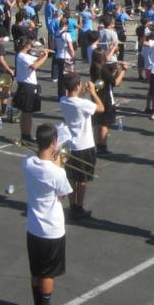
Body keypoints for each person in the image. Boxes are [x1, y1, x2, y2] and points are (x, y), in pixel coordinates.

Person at [23, 123, 73, 305]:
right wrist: (59, 163)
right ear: (54, 142)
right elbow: (63, 196)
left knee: (36, 270)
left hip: (33, 227)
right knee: (48, 274)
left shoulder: (27, 163)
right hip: (51, 229)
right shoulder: (57, 172)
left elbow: (38, 163)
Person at [58, 72, 105, 220]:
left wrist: (81, 92)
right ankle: (79, 207)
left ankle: (72, 207)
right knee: (82, 179)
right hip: (85, 145)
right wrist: (92, 92)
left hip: (70, 145)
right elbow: (101, 108)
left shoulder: (63, 100)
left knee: (72, 177)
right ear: (78, 86)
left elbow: (75, 99)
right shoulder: (83, 104)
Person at [13, 36, 50, 143]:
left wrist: (43, 54)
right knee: (27, 113)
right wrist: (45, 57)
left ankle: (25, 135)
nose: (31, 46)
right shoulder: (22, 56)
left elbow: (35, 60)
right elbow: (35, 66)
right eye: (29, 44)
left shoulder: (24, 56)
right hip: (27, 87)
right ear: (26, 45)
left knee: (27, 113)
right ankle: (26, 135)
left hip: (28, 86)